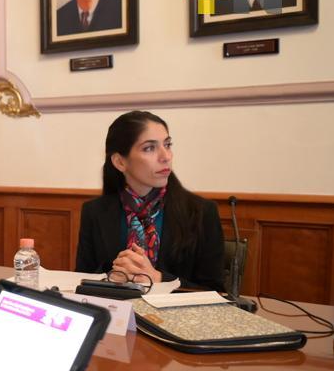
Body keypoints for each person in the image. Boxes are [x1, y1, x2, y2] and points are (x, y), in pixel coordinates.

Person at [75, 110, 224, 291]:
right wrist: (110, 279)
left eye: (167, 145)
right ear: (120, 162)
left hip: (178, 318)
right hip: (117, 313)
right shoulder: (95, 211)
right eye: (149, 148)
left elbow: (215, 291)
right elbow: (83, 281)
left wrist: (157, 278)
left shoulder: (201, 212)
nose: (166, 156)